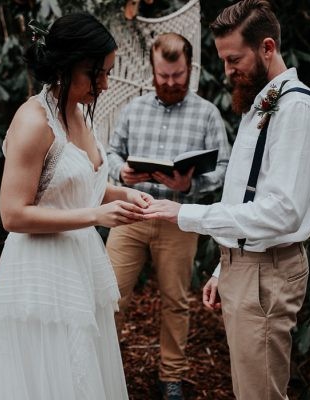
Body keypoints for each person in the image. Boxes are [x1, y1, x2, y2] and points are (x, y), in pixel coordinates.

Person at [143, 1, 310, 399]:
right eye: (223, 59)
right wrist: (221, 265)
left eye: (233, 59)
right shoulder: (259, 100)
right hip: (245, 265)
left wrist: (186, 214)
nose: (227, 70)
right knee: (248, 387)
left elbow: (281, 212)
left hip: (267, 272)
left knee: (258, 393)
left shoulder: (296, 109)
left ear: (267, 48)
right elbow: (244, 194)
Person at [0, 13, 151, 400]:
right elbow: (12, 214)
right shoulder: (33, 122)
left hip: (80, 263)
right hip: (41, 272)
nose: (105, 84)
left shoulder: (77, 111)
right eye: (98, 73)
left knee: (83, 373)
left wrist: (124, 195)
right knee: (51, 379)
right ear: (68, 66)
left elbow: (79, 185)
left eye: (108, 72)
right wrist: (95, 216)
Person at [106, 33, 230, 400]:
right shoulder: (133, 109)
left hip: (179, 219)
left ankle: (171, 377)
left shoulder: (207, 113)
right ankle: (103, 366)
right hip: (132, 214)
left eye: (177, 76)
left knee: (176, 301)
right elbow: (112, 152)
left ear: (189, 69)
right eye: (163, 76)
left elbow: (224, 168)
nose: (171, 82)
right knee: (110, 294)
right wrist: (122, 172)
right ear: (152, 70)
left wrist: (189, 184)